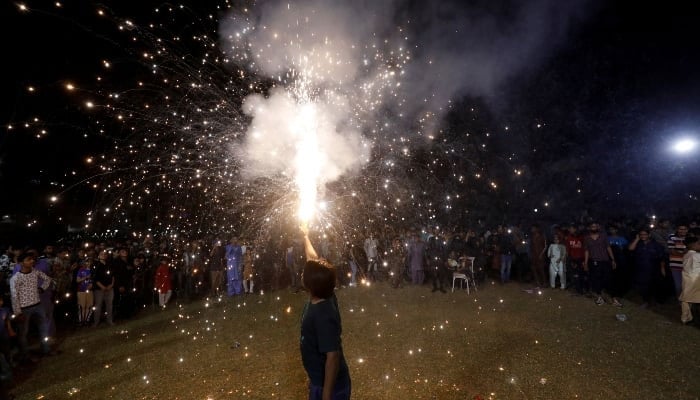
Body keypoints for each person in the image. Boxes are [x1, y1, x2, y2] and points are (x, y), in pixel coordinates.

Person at [299, 224, 351, 400]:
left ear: (310, 284)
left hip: (332, 388)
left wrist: (326, 394)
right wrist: (306, 236)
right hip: (320, 381)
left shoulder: (322, 315)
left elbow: (333, 357)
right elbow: (312, 259)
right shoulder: (326, 294)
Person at [9, 253, 53, 361]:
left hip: (38, 305)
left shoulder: (35, 272)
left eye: (32, 259)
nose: (32, 261)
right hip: (24, 309)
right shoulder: (15, 278)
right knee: (23, 333)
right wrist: (17, 312)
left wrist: (41, 289)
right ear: (21, 263)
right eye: (28, 260)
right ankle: (25, 356)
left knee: (44, 328)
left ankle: (46, 349)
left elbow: (48, 279)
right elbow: (14, 296)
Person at [584, 222, 621, 307]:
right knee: (596, 280)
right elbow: (586, 251)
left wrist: (613, 259)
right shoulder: (587, 238)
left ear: (598, 227)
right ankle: (599, 297)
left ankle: (614, 299)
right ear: (589, 228)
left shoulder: (603, 236)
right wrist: (585, 263)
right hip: (594, 261)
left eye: (595, 226)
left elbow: (608, 247)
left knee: (609, 280)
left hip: (605, 261)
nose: (594, 227)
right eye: (592, 226)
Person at [628, 228, 666, 308]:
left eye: (645, 234)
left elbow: (662, 257)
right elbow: (630, 248)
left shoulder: (656, 244)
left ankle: (657, 302)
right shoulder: (638, 244)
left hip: (654, 269)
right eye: (641, 235)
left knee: (655, 286)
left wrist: (662, 269)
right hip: (641, 269)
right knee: (643, 286)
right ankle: (646, 301)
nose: (643, 236)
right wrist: (637, 239)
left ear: (649, 235)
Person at [679, 236, 700, 325]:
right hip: (696, 280)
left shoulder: (686, 255)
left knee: (686, 299)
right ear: (693, 245)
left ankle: (686, 317)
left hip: (687, 279)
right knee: (693, 299)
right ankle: (687, 317)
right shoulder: (697, 255)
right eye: (698, 244)